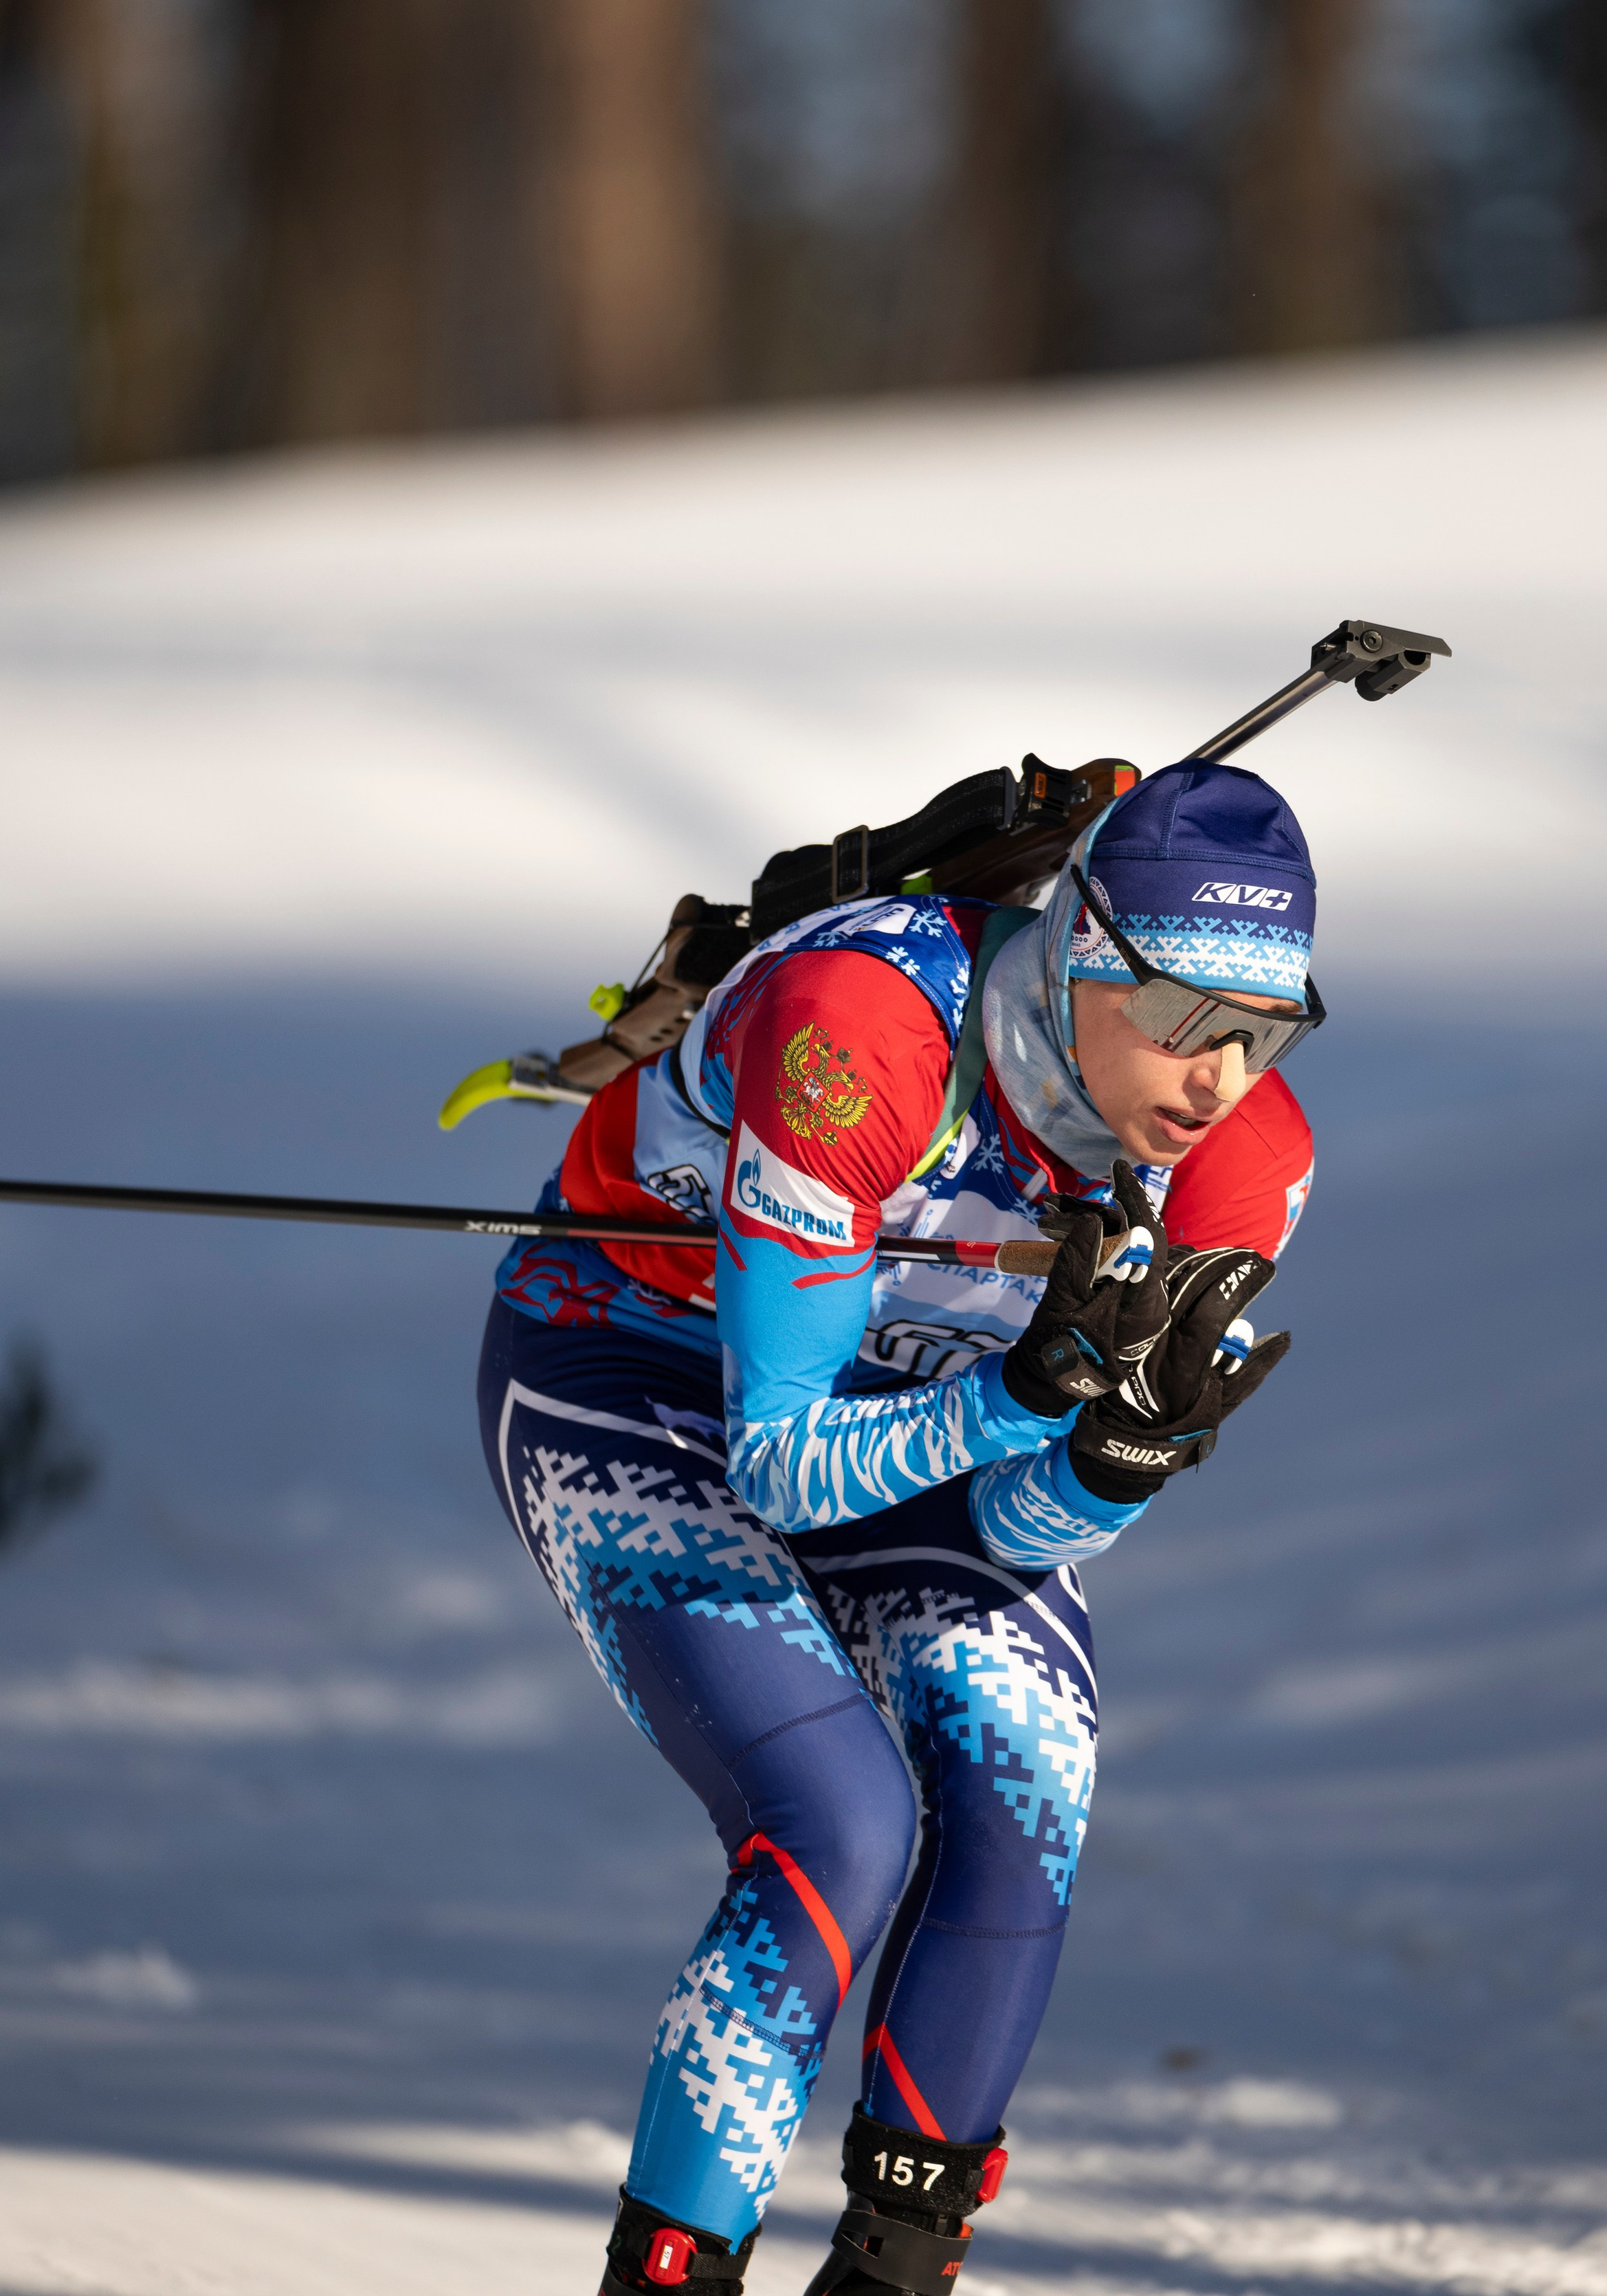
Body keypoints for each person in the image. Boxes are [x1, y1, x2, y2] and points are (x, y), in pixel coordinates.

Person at [476, 760, 1319, 2296]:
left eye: (1265, 1032)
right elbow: (785, 1465)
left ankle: (894, 2270)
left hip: (926, 1409)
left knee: (1023, 1770)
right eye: (1190, 1017)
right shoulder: (860, 1028)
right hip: (641, 1372)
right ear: (1077, 951)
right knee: (837, 1823)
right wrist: (1023, 1391)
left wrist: (1110, 1465)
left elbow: (1013, 1530)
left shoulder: (1243, 1163)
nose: (1218, 1077)